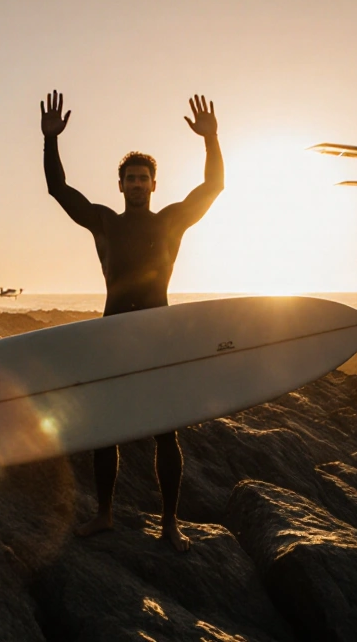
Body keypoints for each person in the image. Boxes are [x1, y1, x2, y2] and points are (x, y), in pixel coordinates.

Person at [39, 89, 224, 552]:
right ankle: (104, 514)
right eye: (130, 178)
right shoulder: (104, 222)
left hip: (158, 333)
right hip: (114, 333)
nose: (137, 183)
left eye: (144, 178)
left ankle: (169, 523)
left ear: (153, 185)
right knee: (107, 430)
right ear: (119, 185)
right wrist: (50, 141)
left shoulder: (170, 222)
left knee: (167, 431)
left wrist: (211, 138)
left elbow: (212, 187)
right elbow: (59, 190)